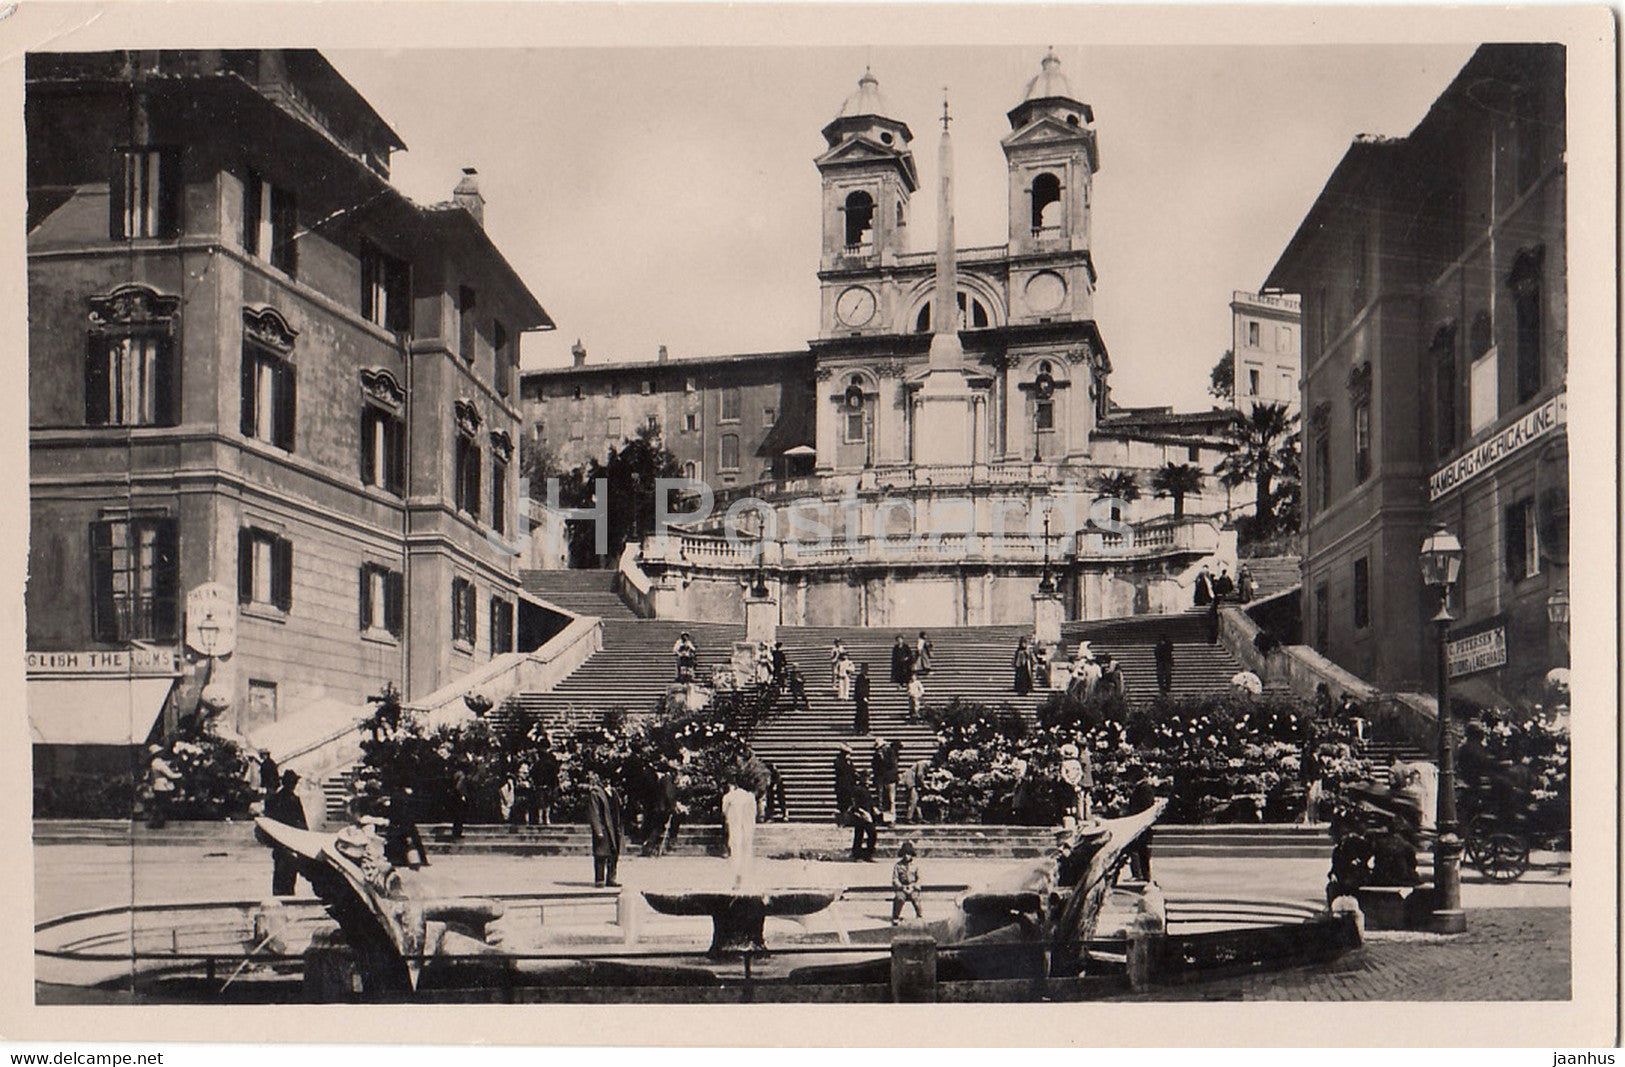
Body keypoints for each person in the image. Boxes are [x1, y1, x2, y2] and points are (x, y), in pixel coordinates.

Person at [265, 769, 308, 896]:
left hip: (278, 838)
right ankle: (288, 893)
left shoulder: (274, 799)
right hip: (291, 839)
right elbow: (301, 821)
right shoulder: (294, 800)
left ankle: (278, 892)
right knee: (290, 870)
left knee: (279, 868)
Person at [584, 772, 623, 888]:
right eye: (604, 779)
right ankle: (599, 879)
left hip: (614, 826)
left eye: (608, 779)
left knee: (614, 852)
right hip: (603, 826)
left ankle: (611, 878)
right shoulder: (595, 792)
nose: (606, 781)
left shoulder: (614, 792)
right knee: (601, 853)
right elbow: (594, 812)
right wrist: (598, 830)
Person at [721, 776, 757, 887]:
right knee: (746, 850)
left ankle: (737, 876)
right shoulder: (750, 797)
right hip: (747, 827)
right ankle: (746, 876)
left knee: (735, 850)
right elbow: (754, 812)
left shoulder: (729, 797)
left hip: (734, 826)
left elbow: (724, 811)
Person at [641, 761, 683, 856]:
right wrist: (673, 806)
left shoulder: (664, 779)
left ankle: (649, 847)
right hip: (664, 808)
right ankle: (650, 846)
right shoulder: (668, 779)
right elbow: (669, 795)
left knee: (658, 828)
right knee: (659, 827)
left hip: (660, 807)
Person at [1125, 766, 1157, 881]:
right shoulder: (1144, 788)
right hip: (1142, 824)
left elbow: (1144, 807)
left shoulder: (1143, 789)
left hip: (1141, 823)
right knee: (1141, 850)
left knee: (1138, 849)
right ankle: (1142, 874)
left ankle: (1140, 874)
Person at [383, 787, 428, 869]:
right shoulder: (404, 804)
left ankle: (398, 859)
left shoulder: (397, 803)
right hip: (405, 823)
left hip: (400, 824)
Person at [145, 745, 180, 829]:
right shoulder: (158, 762)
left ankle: (157, 823)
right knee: (163, 806)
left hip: (158, 786)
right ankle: (158, 823)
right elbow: (170, 774)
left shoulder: (156, 762)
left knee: (160, 805)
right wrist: (181, 775)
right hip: (162, 787)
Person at [890, 840, 923, 924]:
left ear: (911, 854)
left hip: (912, 887)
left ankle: (919, 916)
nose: (906, 856)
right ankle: (896, 916)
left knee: (916, 899)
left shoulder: (915, 865)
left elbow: (919, 879)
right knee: (899, 898)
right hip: (902, 887)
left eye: (908, 854)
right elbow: (895, 879)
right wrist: (901, 887)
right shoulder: (898, 865)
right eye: (904, 854)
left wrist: (914, 886)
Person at [871, 737, 899, 822]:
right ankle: (883, 818)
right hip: (881, 780)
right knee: (881, 800)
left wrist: (883, 759)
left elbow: (892, 765)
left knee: (891, 800)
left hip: (890, 779)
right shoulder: (876, 756)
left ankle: (891, 819)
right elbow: (874, 767)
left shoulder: (890, 753)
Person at [1301, 737, 1324, 826]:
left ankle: (1316, 817)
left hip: (1318, 780)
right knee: (1311, 799)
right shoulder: (1308, 757)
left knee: (1318, 799)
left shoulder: (1319, 758)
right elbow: (1305, 770)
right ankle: (1310, 818)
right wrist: (1307, 781)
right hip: (1312, 780)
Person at [900, 756, 931, 823]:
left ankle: (920, 817)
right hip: (910, 780)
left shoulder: (924, 765)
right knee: (914, 799)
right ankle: (908, 818)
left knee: (917, 800)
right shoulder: (922, 764)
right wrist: (924, 785)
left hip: (914, 781)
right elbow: (919, 775)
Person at [852, 663, 872, 733]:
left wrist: (867, 696)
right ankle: (860, 728)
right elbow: (859, 688)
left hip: (864, 698)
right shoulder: (860, 678)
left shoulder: (866, 678)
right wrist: (863, 696)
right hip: (860, 699)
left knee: (864, 714)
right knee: (861, 713)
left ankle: (863, 728)